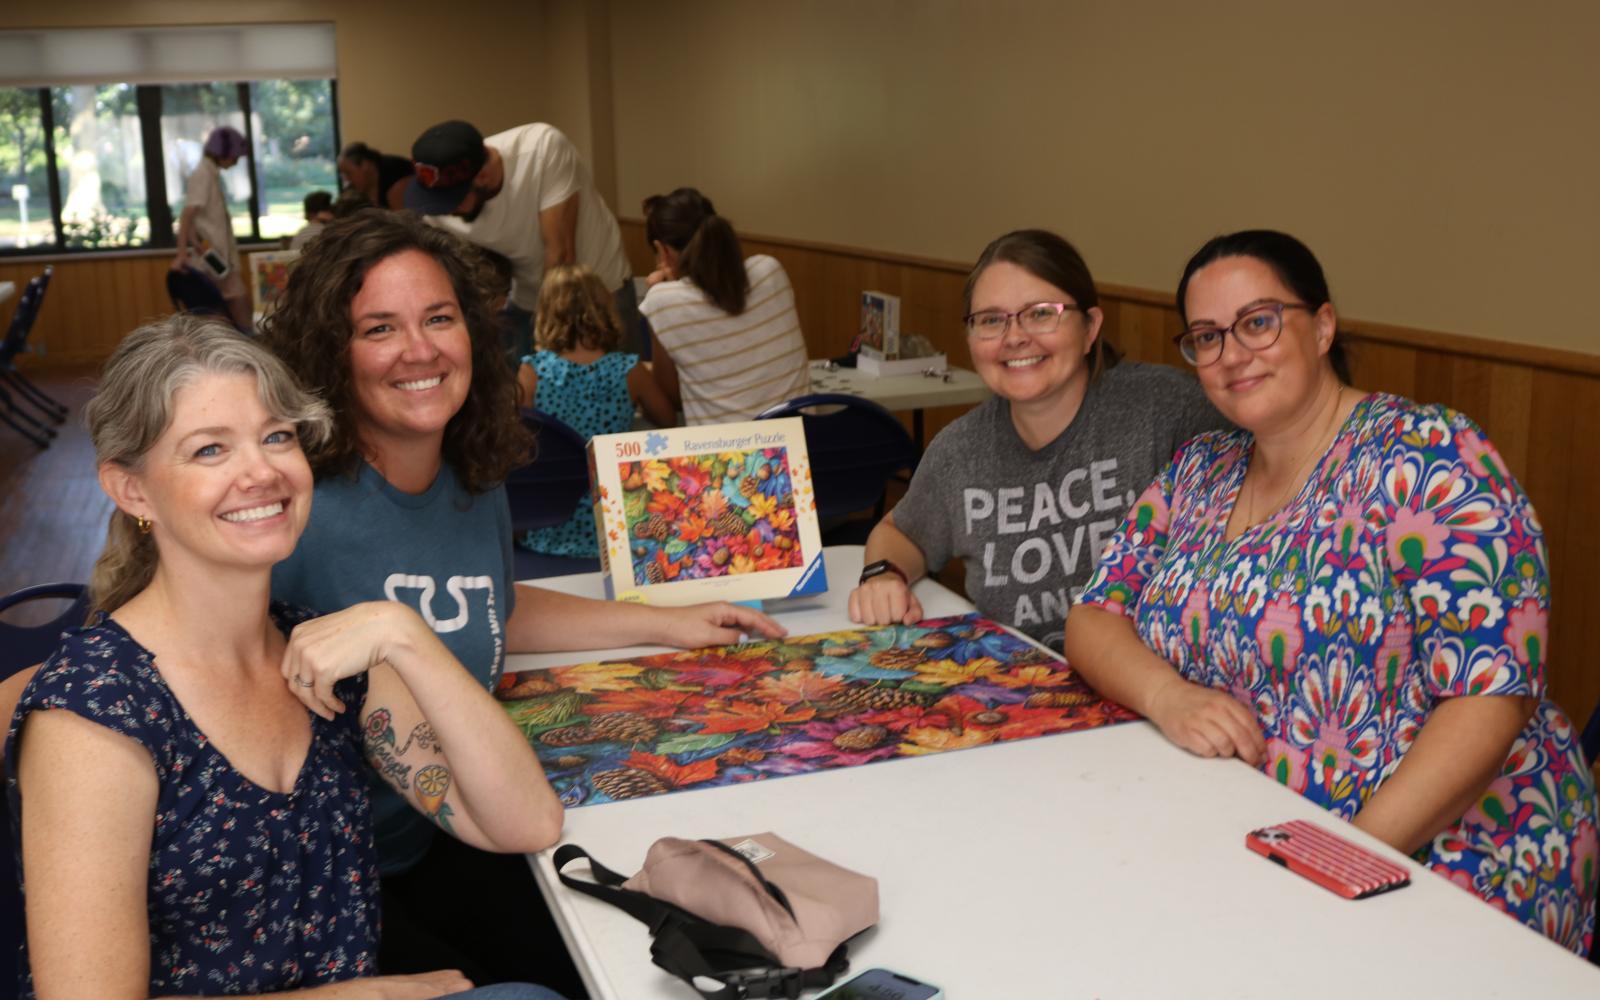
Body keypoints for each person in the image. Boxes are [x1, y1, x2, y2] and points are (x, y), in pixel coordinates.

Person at [260, 209, 784, 987]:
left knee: (644, 955)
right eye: (379, 328)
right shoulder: (289, 506)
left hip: (439, 838)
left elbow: (489, 605)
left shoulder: (469, 473)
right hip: (320, 885)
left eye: (439, 318)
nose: (420, 349)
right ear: (328, 351)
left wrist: (667, 624)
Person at [1064, 229, 1599, 952]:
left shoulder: (1427, 456)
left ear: (1321, 327)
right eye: (1207, 337)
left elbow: (1491, 695)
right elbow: (1094, 616)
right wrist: (1169, 696)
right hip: (1248, 823)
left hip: (1440, 847)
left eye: (1258, 322)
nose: (1232, 354)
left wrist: (1341, 858)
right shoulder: (1199, 469)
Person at [6, 314, 566, 998]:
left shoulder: (325, 658)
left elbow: (525, 822)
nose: (261, 471)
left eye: (277, 436)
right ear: (133, 490)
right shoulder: (96, 716)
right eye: (210, 450)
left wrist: (406, 635)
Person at [847, 229, 1229, 650]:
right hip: (1021, 682)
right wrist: (883, 575)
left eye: (1042, 313)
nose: (1015, 337)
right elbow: (902, 531)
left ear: (1090, 328)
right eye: (991, 320)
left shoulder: (1170, 411)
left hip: (1156, 680)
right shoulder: (960, 450)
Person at [403, 120, 640, 361]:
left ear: (483, 177)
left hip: (596, 288)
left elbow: (560, 254)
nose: (444, 211)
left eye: (452, 201)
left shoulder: (540, 150)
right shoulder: (435, 205)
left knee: (614, 379)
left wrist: (550, 344)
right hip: (525, 295)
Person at [516, 264, 674, 558]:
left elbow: (517, 444)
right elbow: (667, 418)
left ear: (546, 312)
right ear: (604, 310)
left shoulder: (532, 372)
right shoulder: (629, 370)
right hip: (616, 524)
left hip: (551, 520)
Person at [637, 187, 809, 426]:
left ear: (662, 250)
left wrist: (664, 289)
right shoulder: (771, 270)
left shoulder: (662, 301)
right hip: (802, 440)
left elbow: (673, 399)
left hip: (728, 448)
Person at [171, 125, 251, 332]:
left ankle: (245, 339)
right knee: (236, 307)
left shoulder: (210, 173)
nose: (236, 161)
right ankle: (248, 341)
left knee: (232, 308)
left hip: (216, 256)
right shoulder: (203, 174)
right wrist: (181, 254)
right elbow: (187, 215)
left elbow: (194, 218)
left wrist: (194, 242)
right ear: (223, 153)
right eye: (234, 156)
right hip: (211, 259)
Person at [338, 140, 415, 209]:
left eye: (348, 173)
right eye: (343, 175)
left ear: (365, 165)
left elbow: (402, 218)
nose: (346, 179)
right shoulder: (358, 188)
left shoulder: (396, 178)